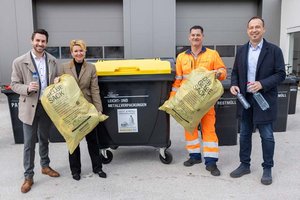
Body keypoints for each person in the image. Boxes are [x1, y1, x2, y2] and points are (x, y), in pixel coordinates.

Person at [229, 16, 286, 185]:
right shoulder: (241, 50)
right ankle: (244, 164)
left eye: (257, 27)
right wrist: (233, 85)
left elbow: (281, 74)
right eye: (251, 27)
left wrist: (262, 84)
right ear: (247, 30)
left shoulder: (274, 50)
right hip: (245, 100)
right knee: (245, 134)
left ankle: (267, 168)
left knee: (267, 136)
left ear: (263, 29)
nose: (254, 30)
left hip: (264, 100)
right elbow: (235, 73)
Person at [170, 25, 227, 176]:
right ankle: (194, 156)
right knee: (190, 129)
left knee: (209, 130)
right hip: (187, 102)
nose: (195, 37)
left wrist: (219, 74)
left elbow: (223, 71)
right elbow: (178, 80)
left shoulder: (212, 54)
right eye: (193, 35)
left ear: (202, 37)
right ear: (189, 37)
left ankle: (211, 162)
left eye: (198, 35)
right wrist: (172, 100)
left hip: (206, 101)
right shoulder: (181, 57)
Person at [11, 29, 60, 193]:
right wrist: (26, 87)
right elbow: (14, 84)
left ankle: (45, 166)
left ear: (46, 43)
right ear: (32, 40)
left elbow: (56, 82)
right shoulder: (19, 61)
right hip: (29, 107)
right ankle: (28, 176)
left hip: (46, 106)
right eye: (37, 40)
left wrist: (57, 81)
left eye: (43, 41)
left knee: (44, 138)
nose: (40, 44)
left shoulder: (53, 61)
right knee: (29, 143)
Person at [57, 39, 106, 181]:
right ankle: (75, 171)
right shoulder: (64, 67)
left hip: (87, 108)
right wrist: (56, 81)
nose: (79, 53)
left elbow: (94, 89)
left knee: (93, 140)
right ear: (71, 53)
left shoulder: (91, 68)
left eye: (81, 50)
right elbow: (59, 89)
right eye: (76, 51)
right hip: (71, 110)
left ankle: (98, 168)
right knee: (74, 141)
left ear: (85, 51)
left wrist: (98, 110)